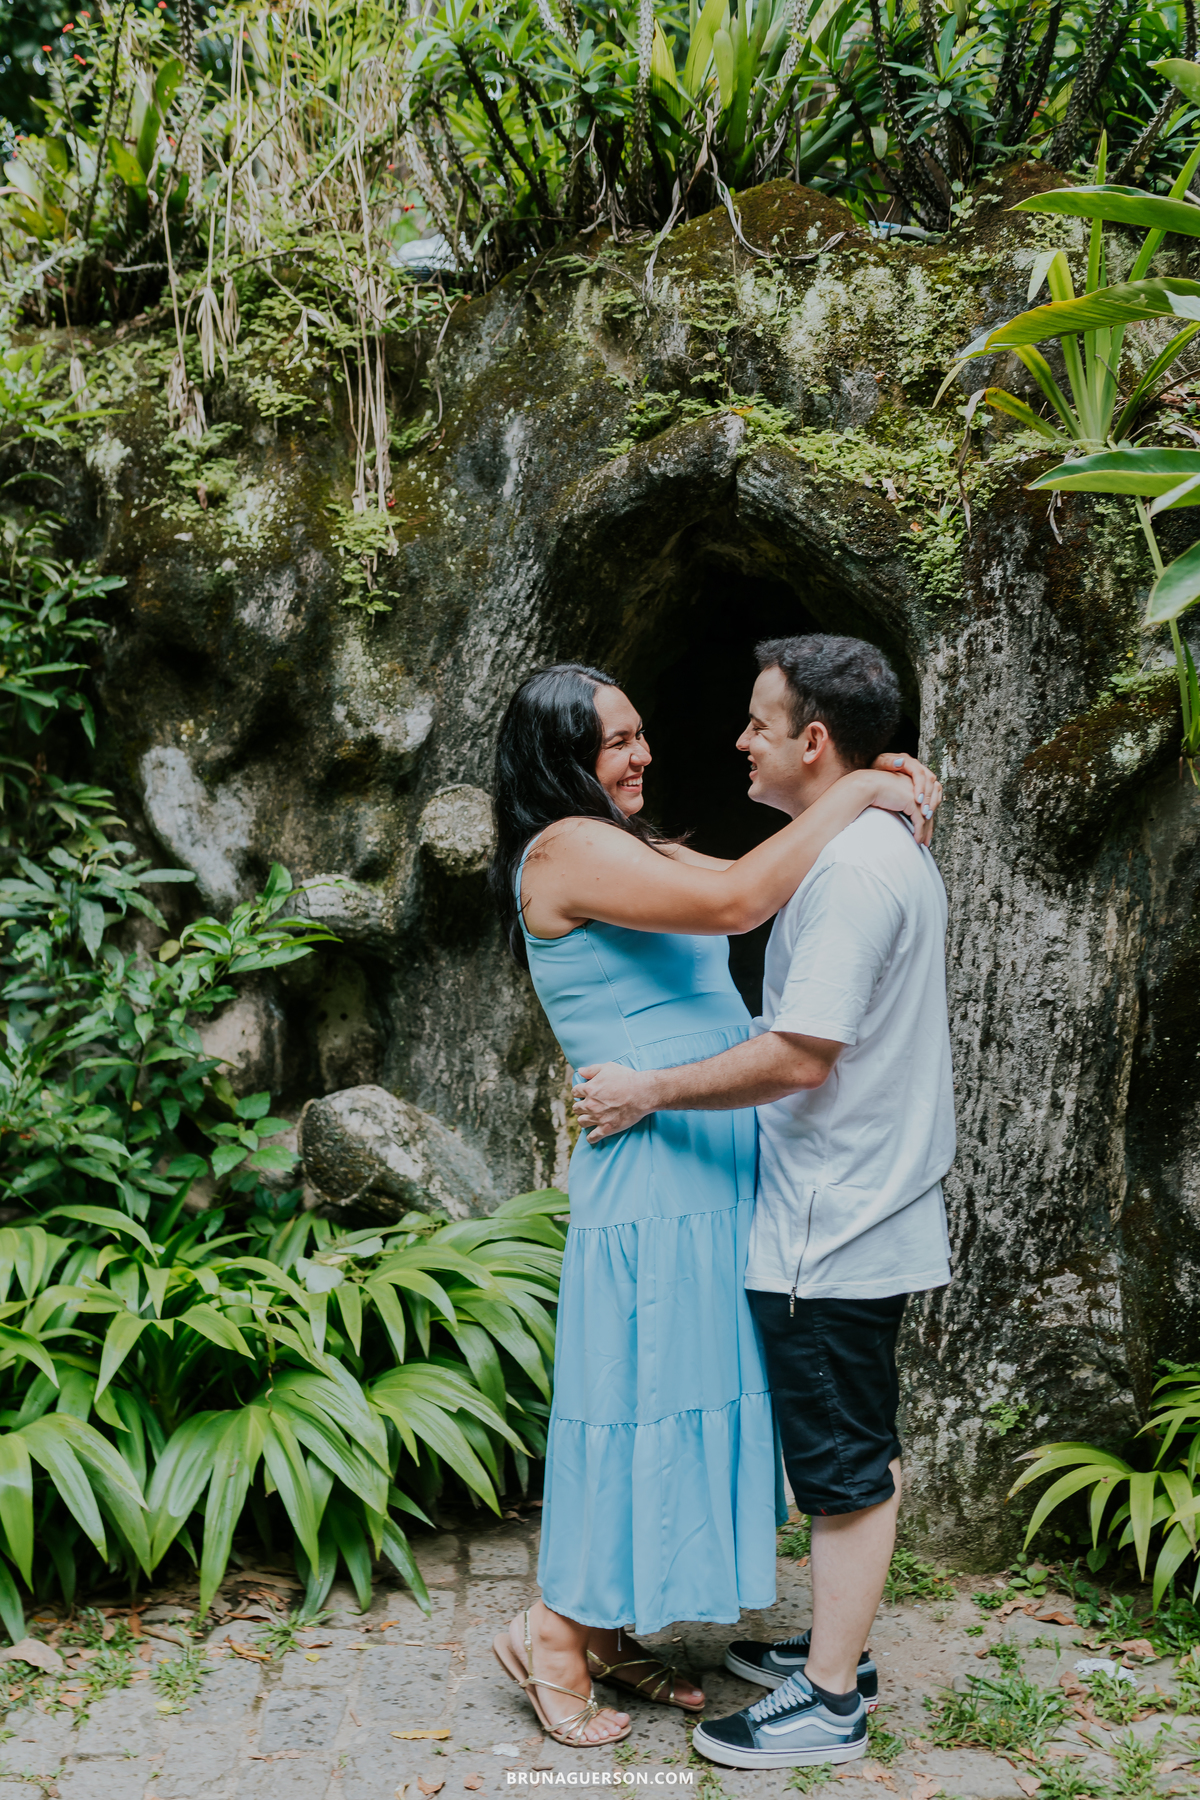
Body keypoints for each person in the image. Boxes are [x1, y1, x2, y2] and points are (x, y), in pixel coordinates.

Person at [487, 659, 943, 1749]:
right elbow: (742, 901)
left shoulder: (627, 843)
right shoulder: (567, 849)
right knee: (636, 1397)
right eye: (616, 743)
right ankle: (551, 1631)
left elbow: (751, 875)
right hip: (653, 1163)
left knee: (678, 1390)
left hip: (698, 1160)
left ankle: (601, 1626)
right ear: (562, 760)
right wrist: (859, 791)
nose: (641, 754)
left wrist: (857, 782)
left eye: (640, 733)